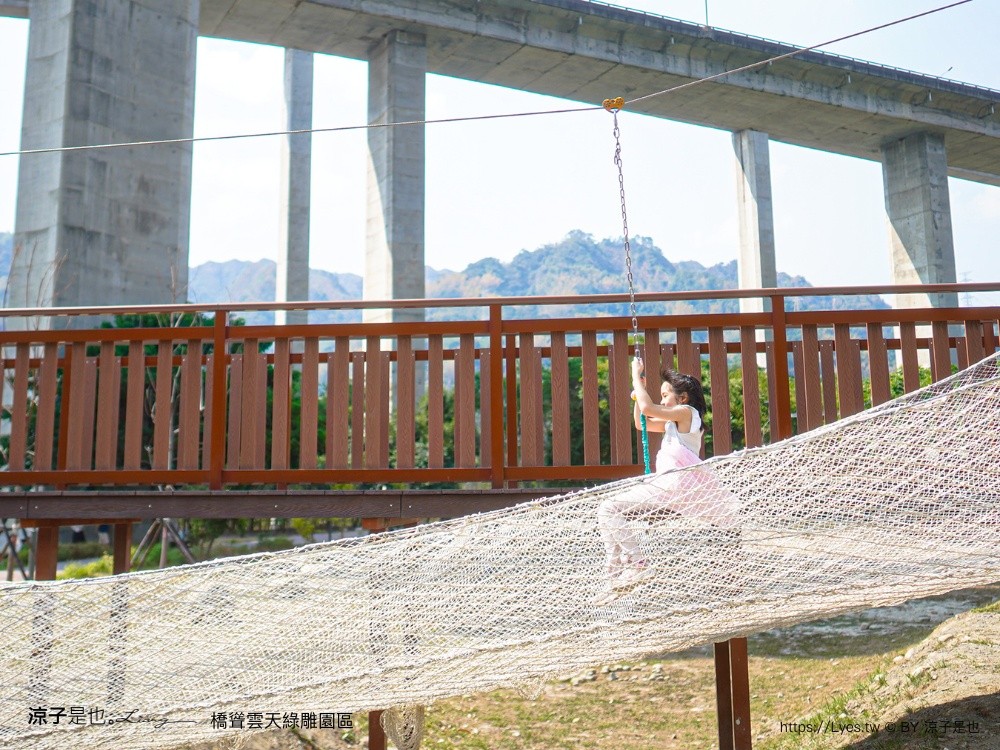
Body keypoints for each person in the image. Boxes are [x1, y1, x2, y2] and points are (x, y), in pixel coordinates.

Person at [595, 356, 738, 602]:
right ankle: (616, 572)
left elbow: (650, 409)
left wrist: (634, 376)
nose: (662, 400)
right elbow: (643, 423)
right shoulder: (675, 423)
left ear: (682, 398)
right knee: (609, 514)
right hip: (670, 487)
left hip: (673, 486)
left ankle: (637, 564)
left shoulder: (687, 413)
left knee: (608, 508)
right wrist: (637, 394)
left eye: (665, 395)